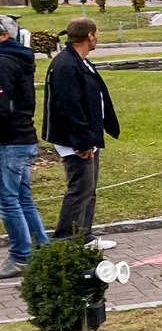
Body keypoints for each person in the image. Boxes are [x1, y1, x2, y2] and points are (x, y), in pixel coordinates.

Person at [42, 17, 119, 243]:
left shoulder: (80, 61)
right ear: (90, 36)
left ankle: (84, 236)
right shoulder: (66, 65)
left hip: (88, 136)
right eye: (97, 33)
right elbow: (69, 107)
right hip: (75, 140)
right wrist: (83, 142)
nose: (98, 37)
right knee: (79, 190)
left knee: (89, 190)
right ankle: (65, 240)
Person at [0, 15, 49, 277]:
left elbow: (3, 107)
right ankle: (40, 246)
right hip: (22, 137)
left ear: (4, 35)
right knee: (21, 197)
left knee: (8, 200)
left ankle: (21, 255)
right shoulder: (19, 59)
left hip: (10, 140)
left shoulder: (3, 63)